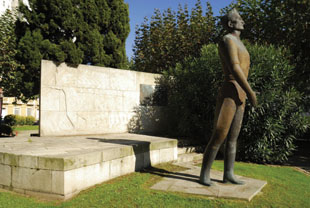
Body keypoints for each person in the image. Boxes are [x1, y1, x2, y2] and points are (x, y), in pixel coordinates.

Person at [199, 8, 257, 186]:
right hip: (230, 92)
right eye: (239, 19)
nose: (243, 22)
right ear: (231, 23)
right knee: (219, 134)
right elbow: (235, 67)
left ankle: (228, 173)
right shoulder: (227, 40)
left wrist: (245, 92)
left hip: (240, 93)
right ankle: (204, 174)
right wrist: (251, 92)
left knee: (233, 137)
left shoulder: (240, 43)